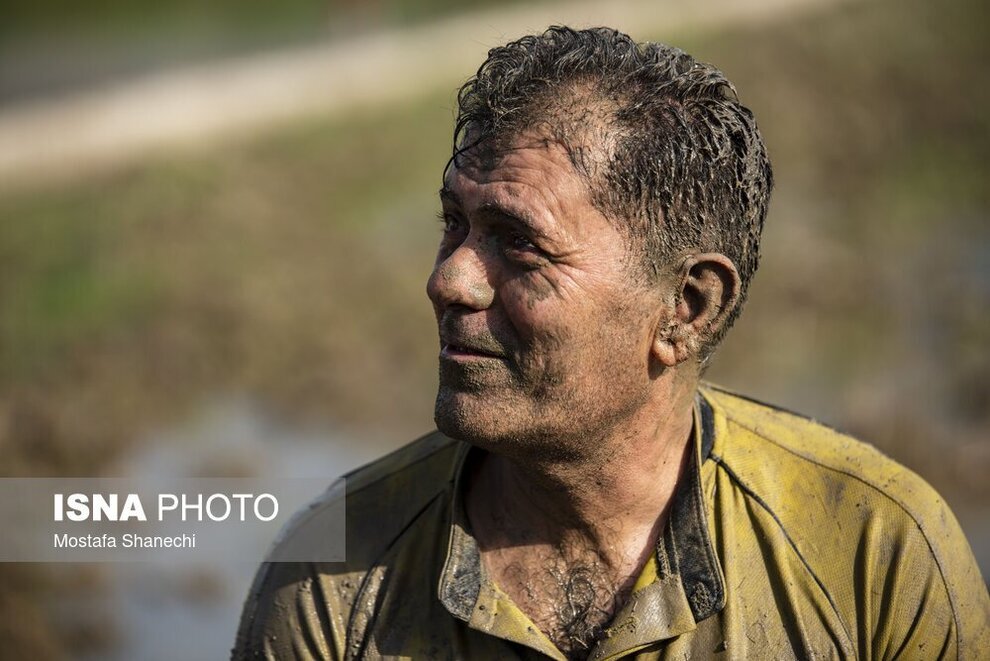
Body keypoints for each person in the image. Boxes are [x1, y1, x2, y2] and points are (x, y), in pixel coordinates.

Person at [233, 26, 989, 659]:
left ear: (688, 307)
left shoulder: (872, 556)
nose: (449, 280)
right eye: (453, 225)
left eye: (518, 243)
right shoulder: (331, 578)